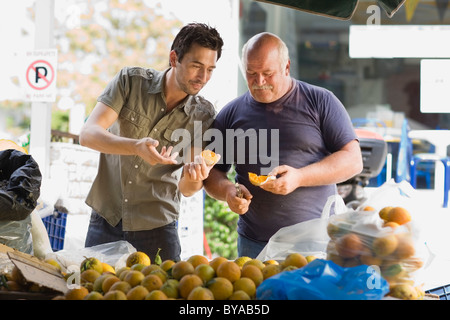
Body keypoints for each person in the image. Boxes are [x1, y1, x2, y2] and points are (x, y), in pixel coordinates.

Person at [203, 32, 363, 258]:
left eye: (268, 74)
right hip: (253, 245)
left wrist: (299, 177)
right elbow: (211, 174)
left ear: (286, 67)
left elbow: (353, 161)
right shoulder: (231, 114)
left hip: (314, 244)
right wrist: (229, 191)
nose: (259, 82)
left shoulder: (321, 101)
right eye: (251, 73)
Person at [79, 23, 224, 261]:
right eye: (196, 66)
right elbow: (88, 134)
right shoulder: (130, 82)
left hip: (157, 228)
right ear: (174, 58)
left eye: (210, 69)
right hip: (106, 218)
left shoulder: (203, 115)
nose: (203, 78)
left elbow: (188, 190)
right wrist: (135, 147)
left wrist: (195, 175)